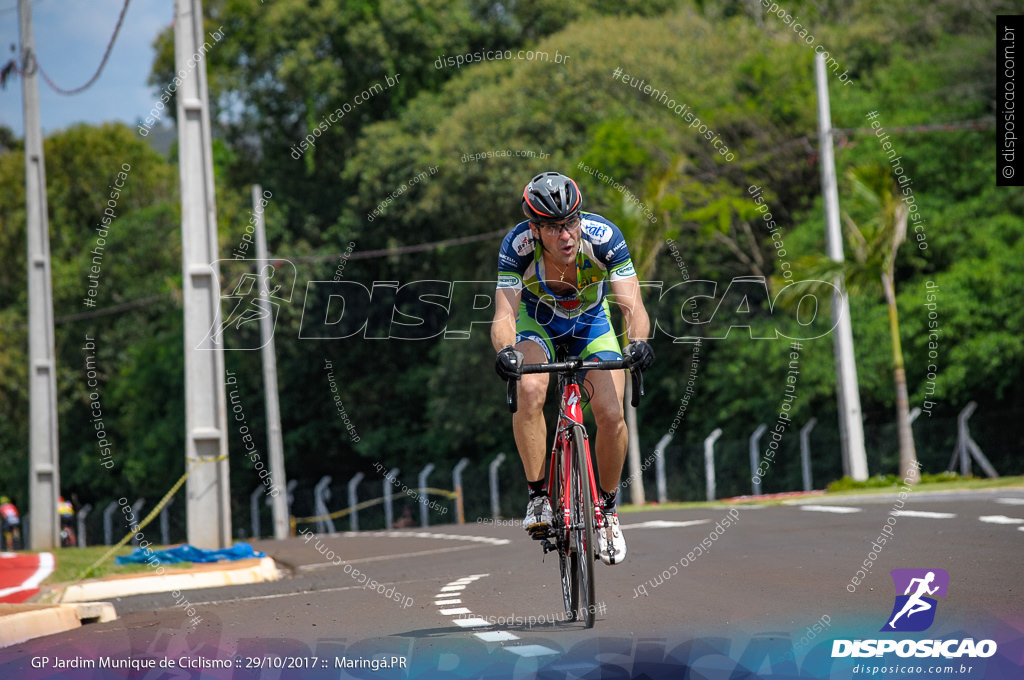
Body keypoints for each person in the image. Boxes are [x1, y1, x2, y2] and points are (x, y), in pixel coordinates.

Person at [491, 171, 654, 565]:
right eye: (552, 227)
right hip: (538, 324)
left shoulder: (604, 237)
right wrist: (506, 351)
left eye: (570, 223)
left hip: (591, 325)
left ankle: (608, 511)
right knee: (530, 391)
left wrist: (639, 344)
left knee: (611, 413)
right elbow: (503, 316)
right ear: (535, 229)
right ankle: (538, 497)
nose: (565, 235)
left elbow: (633, 307)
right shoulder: (518, 245)